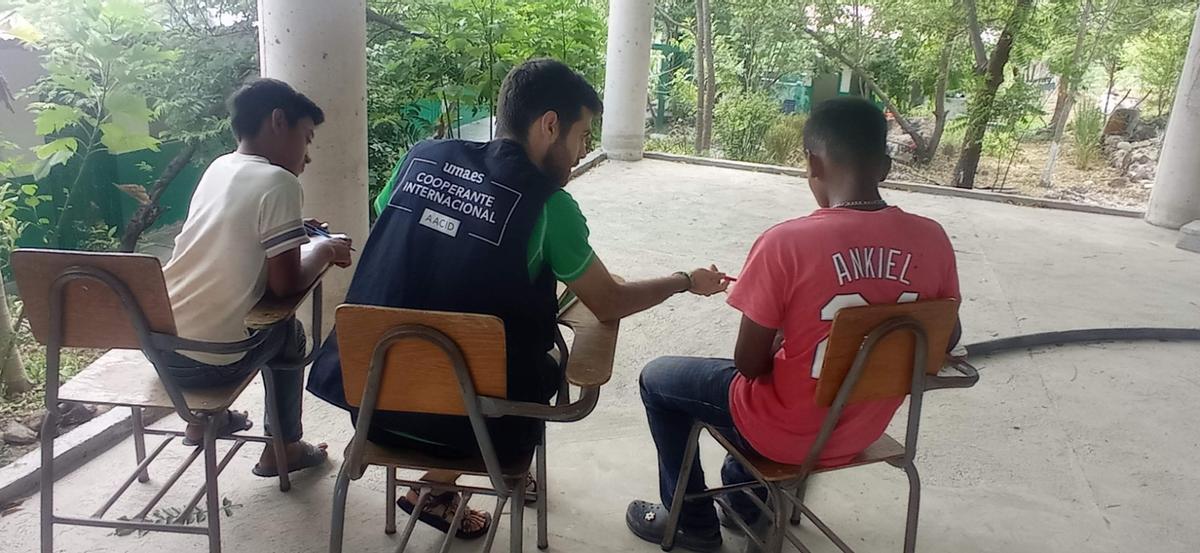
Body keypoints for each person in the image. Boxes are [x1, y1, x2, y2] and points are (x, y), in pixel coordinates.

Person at [307, 58, 729, 539]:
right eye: (582, 135)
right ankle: (441, 484)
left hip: (368, 407)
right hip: (472, 431)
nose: (581, 150)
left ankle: (438, 488)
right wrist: (683, 280)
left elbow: (402, 224)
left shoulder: (421, 156)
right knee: (543, 357)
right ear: (550, 125)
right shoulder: (549, 206)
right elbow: (608, 301)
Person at [625, 97, 962, 552]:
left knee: (658, 379)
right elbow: (946, 336)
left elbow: (749, 364)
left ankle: (690, 521)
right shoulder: (933, 238)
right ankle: (746, 506)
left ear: (812, 163)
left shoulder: (785, 242)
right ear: (884, 167)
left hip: (785, 435)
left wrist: (787, 329)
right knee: (765, 387)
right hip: (861, 430)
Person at [162, 78, 354, 477]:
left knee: (261, 324)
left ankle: (200, 422)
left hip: (161, 349)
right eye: (307, 137)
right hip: (210, 365)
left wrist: (296, 229)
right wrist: (322, 248)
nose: (308, 154)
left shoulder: (220, 166)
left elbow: (231, 230)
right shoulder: (279, 181)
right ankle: (284, 448)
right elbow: (285, 284)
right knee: (288, 332)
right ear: (278, 121)